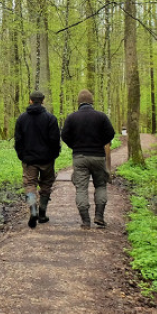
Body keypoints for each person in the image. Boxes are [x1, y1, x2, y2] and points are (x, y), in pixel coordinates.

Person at [61, 90, 116, 229]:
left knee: (81, 188)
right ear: (92, 102)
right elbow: (111, 133)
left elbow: (64, 135)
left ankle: (85, 220)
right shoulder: (101, 117)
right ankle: (99, 216)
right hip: (98, 156)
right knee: (101, 185)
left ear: (78, 103)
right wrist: (100, 143)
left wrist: (74, 145)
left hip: (80, 157)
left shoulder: (72, 117)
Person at [14, 91, 61, 228]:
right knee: (46, 184)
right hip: (46, 159)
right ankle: (42, 213)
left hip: (29, 160)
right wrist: (53, 155)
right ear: (43, 101)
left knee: (30, 185)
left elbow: (18, 140)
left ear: (30, 101)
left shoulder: (22, 119)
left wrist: (22, 155)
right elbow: (55, 140)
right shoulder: (50, 118)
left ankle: (33, 210)